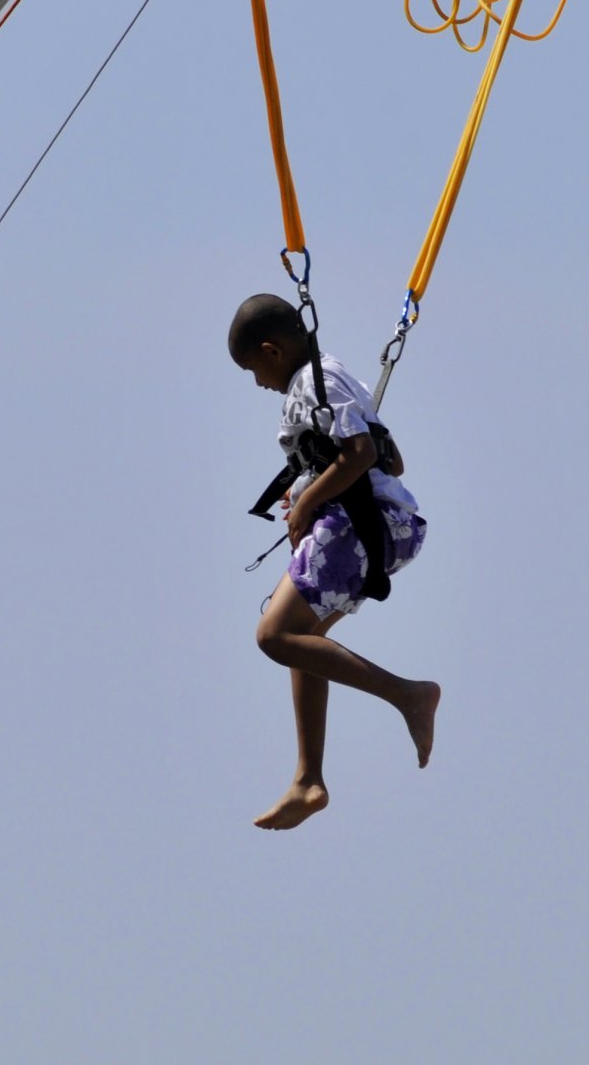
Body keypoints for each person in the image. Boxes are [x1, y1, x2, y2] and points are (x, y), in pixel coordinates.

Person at [228, 292, 439, 830]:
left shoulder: (319, 379)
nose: (258, 384)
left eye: (255, 370)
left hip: (367, 525)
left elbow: (366, 457)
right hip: (362, 526)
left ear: (273, 352)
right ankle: (308, 780)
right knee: (303, 643)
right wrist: (306, 486)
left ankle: (408, 695)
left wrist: (312, 499)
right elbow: (384, 455)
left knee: (273, 636)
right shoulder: (317, 386)